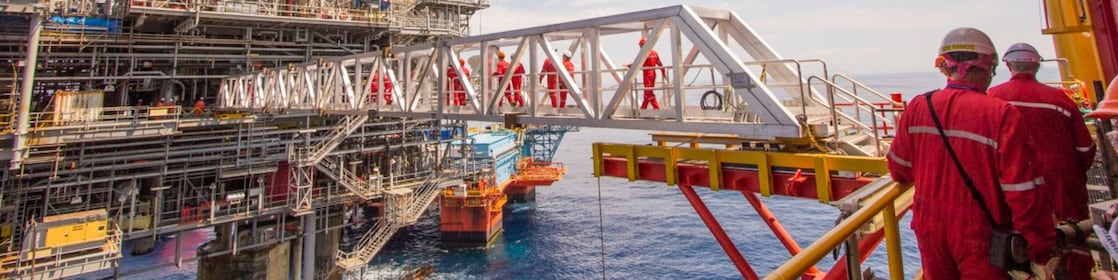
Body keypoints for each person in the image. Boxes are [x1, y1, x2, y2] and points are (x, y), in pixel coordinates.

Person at [886, 27, 1057, 279]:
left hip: (930, 228)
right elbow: (1022, 190)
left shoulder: (919, 106)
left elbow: (898, 169)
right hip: (981, 234)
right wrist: (1039, 245)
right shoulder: (1000, 114)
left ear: (946, 67)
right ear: (988, 67)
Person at [988, 42, 1096, 280]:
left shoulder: (992, 99)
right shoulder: (1060, 100)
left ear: (1007, 65)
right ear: (1037, 65)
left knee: (1013, 253)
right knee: (1071, 247)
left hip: (1011, 191)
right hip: (1062, 190)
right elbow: (1085, 149)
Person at [637, 37, 668, 110]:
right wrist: (663, 72)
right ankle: (642, 110)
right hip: (653, 74)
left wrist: (628, 65)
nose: (640, 47)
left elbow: (637, 63)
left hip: (647, 75)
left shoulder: (645, 54)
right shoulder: (655, 53)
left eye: (641, 45)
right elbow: (660, 63)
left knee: (649, 93)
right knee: (647, 93)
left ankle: (657, 109)